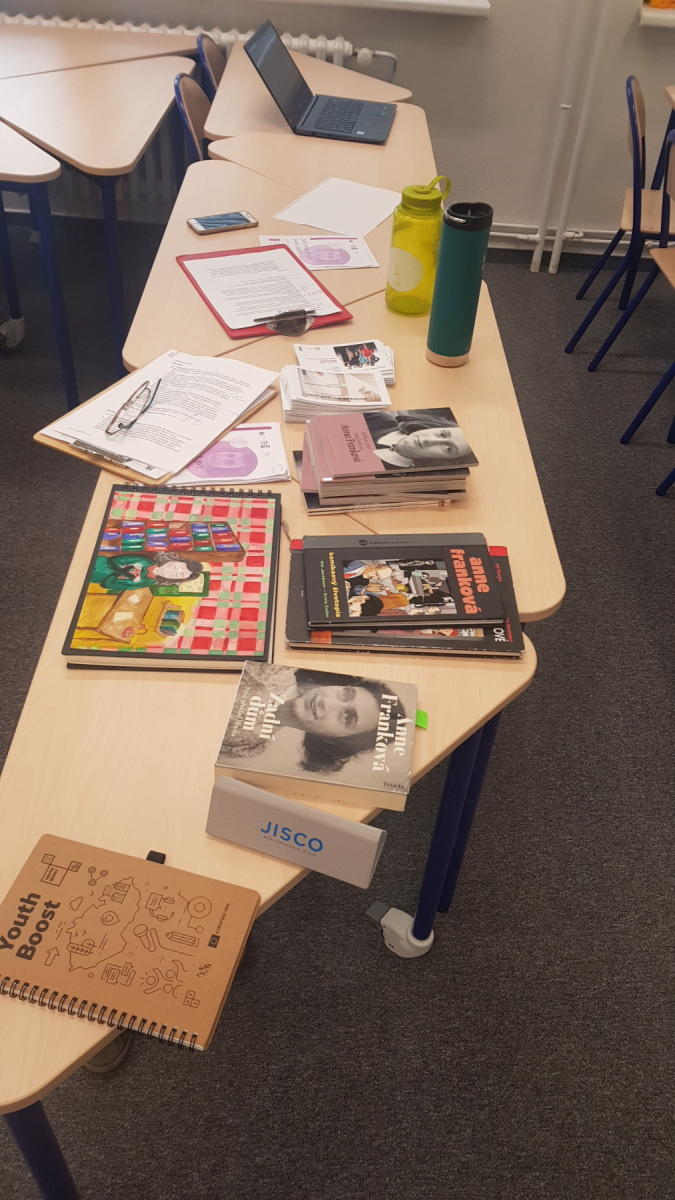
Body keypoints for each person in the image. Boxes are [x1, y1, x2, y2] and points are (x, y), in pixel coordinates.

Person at [219, 664, 406, 776]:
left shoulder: (254, 746)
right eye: (345, 694)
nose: (327, 702)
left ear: (334, 739)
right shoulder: (275, 673)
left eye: (347, 717)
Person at [364, 410, 473, 469]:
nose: (430, 441)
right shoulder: (381, 419)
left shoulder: (400, 480)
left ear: (446, 461)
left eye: (448, 448)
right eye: (442, 434)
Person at [91, 551, 203, 594]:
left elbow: (107, 584)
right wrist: (126, 574)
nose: (172, 572)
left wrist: (125, 571)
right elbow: (112, 561)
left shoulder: (148, 582)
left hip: (93, 577)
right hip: (95, 562)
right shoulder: (145, 561)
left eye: (178, 575)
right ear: (174, 560)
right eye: (177, 567)